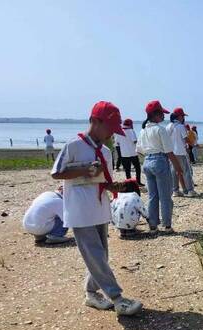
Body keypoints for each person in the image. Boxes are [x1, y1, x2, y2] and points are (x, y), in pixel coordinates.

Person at [50, 101, 142, 316]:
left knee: (100, 255)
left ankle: (91, 293)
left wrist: (118, 187)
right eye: (109, 127)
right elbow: (57, 173)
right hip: (79, 210)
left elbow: (105, 181)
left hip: (100, 207)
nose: (112, 133)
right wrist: (84, 170)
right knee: (95, 254)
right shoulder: (73, 146)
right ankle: (118, 298)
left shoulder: (107, 152)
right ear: (95, 121)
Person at [137, 100, 187, 234]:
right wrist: (178, 167)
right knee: (165, 196)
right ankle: (167, 226)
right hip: (160, 161)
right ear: (156, 114)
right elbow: (169, 151)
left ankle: (153, 226)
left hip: (147, 162)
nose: (164, 116)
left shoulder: (143, 130)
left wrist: (149, 156)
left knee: (153, 196)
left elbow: (139, 150)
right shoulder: (160, 129)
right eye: (162, 113)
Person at [167, 107, 197, 197]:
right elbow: (185, 139)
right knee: (186, 171)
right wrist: (193, 143)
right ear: (179, 116)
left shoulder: (168, 126)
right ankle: (190, 190)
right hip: (180, 151)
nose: (183, 118)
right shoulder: (180, 126)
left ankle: (175, 190)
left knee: (174, 171)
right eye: (183, 116)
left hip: (172, 152)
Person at [114, 119, 143, 185]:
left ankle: (130, 183)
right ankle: (138, 182)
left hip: (124, 154)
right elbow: (135, 141)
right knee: (137, 168)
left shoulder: (119, 132)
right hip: (133, 153)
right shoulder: (131, 131)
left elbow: (117, 143)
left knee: (127, 170)